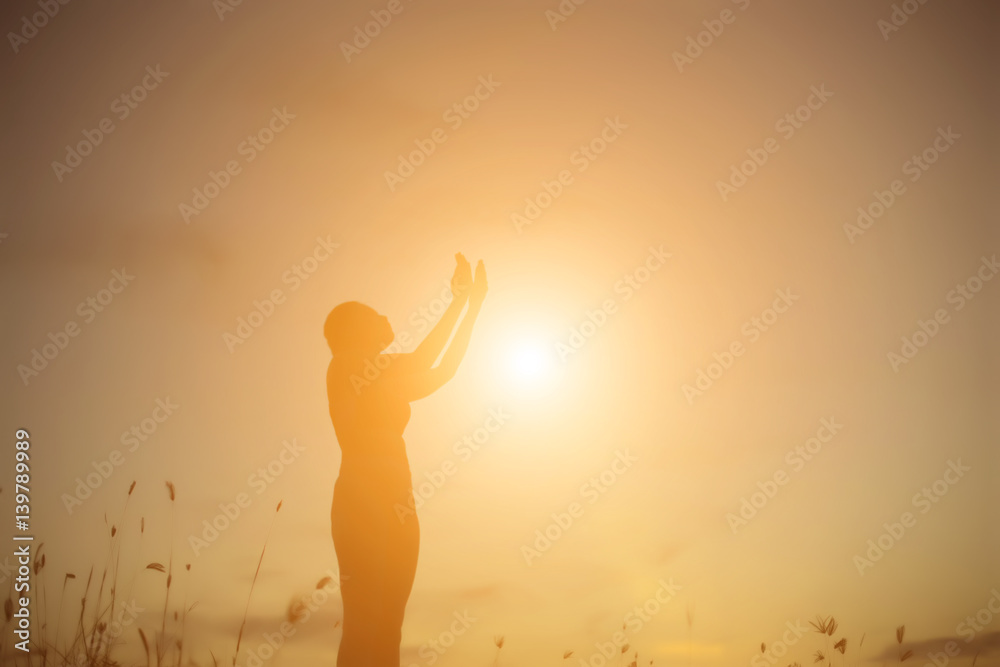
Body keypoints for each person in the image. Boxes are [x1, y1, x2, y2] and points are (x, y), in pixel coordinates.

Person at [323, 253, 487, 666]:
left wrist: (471, 306)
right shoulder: (347, 364)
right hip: (364, 498)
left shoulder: (379, 377)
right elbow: (422, 360)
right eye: (373, 314)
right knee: (364, 623)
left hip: (398, 497)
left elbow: (442, 370)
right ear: (354, 329)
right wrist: (457, 304)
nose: (384, 318)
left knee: (389, 627)